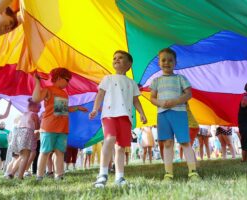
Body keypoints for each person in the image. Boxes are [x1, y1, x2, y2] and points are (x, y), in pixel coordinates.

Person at [89, 50, 147, 187]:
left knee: (120, 147)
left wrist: (142, 113)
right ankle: (102, 174)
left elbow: (136, 100)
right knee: (109, 139)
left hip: (125, 117)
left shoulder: (132, 83)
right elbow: (100, 95)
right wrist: (95, 109)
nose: (116, 60)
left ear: (129, 65)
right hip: (109, 115)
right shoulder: (107, 79)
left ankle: (119, 178)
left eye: (120, 58)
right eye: (114, 58)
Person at [150, 48, 199, 181]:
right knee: (167, 143)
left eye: (170, 60)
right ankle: (168, 173)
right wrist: (160, 102)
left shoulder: (180, 78)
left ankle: (193, 171)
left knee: (185, 142)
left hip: (179, 113)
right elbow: (152, 98)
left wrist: (175, 101)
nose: (167, 62)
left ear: (175, 62)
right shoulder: (156, 81)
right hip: (163, 114)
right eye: (163, 60)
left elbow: (188, 94)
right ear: (159, 63)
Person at [32, 68, 88, 181]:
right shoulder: (48, 89)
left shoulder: (64, 93)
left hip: (62, 128)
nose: (68, 83)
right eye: (67, 80)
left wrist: (76, 107)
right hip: (49, 127)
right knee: (45, 152)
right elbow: (36, 99)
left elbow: (61, 109)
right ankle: (39, 176)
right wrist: (37, 82)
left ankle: (59, 176)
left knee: (60, 152)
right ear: (59, 77)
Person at [8, 98, 40, 179]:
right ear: (33, 107)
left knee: (21, 156)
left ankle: (11, 173)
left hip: (19, 133)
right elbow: (37, 127)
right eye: (39, 107)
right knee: (26, 156)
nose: (39, 110)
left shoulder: (24, 113)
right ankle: (20, 176)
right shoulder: (34, 114)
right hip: (27, 133)